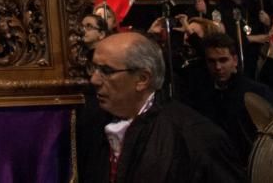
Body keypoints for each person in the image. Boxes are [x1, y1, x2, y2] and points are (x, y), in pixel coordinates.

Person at [79, 32, 244, 182]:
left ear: (142, 79)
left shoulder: (196, 137)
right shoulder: (89, 124)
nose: (94, 80)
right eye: (94, 68)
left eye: (106, 71)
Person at [185, 33, 273, 162]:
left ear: (235, 60)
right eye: (212, 61)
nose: (218, 67)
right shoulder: (199, 92)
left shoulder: (258, 91)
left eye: (223, 60)